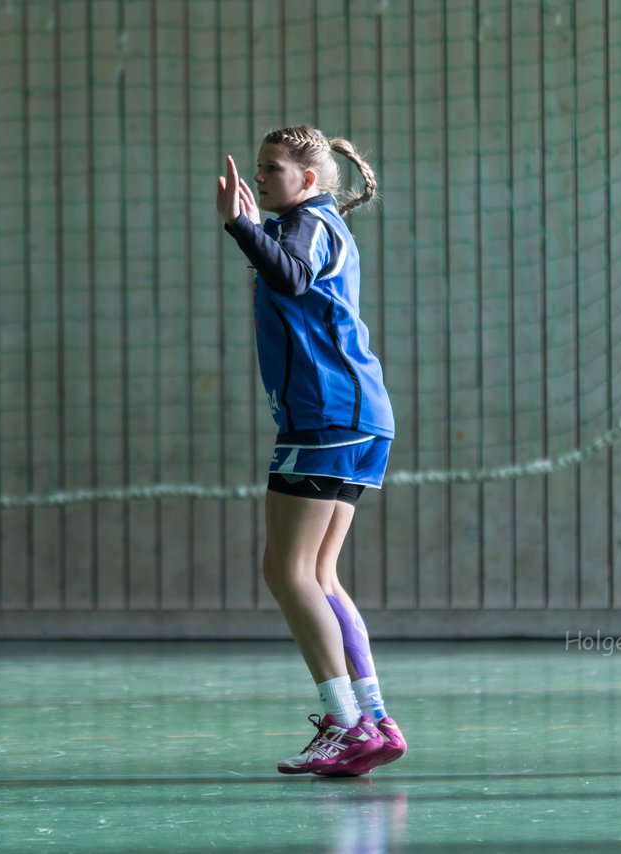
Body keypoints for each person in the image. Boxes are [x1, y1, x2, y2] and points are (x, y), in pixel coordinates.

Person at [216, 126, 407, 776]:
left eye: (273, 168)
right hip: (355, 417)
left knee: (285, 569)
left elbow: (291, 277)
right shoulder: (312, 227)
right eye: (262, 167)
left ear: (309, 180)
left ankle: (348, 721)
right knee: (319, 575)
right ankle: (371, 717)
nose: (263, 177)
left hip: (326, 418)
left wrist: (241, 226)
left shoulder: (309, 226)